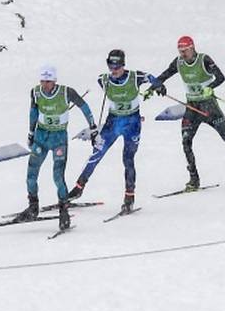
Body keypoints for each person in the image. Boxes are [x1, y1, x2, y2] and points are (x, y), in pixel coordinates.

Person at [147, 36, 225, 192]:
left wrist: (210, 87)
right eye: (180, 51)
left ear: (192, 48)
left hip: (209, 107)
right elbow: (165, 75)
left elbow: (221, 77)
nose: (183, 54)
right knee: (186, 141)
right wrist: (153, 88)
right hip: (192, 107)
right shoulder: (179, 62)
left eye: (185, 51)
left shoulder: (203, 60)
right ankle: (194, 180)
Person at [65, 49, 157, 213]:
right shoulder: (103, 80)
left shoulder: (135, 77)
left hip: (132, 123)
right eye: (110, 65)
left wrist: (158, 84)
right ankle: (79, 188)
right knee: (97, 153)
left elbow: (150, 77)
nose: (113, 70)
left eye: (116, 66)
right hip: (113, 122)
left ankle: (129, 197)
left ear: (123, 64)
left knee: (128, 158)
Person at [15, 65, 97, 230]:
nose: (45, 84)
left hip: (58, 138)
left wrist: (93, 127)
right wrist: (31, 133)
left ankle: (64, 211)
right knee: (31, 174)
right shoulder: (36, 92)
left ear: (54, 81)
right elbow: (33, 112)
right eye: (43, 81)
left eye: (48, 81)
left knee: (58, 177)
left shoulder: (66, 92)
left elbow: (84, 106)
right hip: (41, 136)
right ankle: (33, 206)